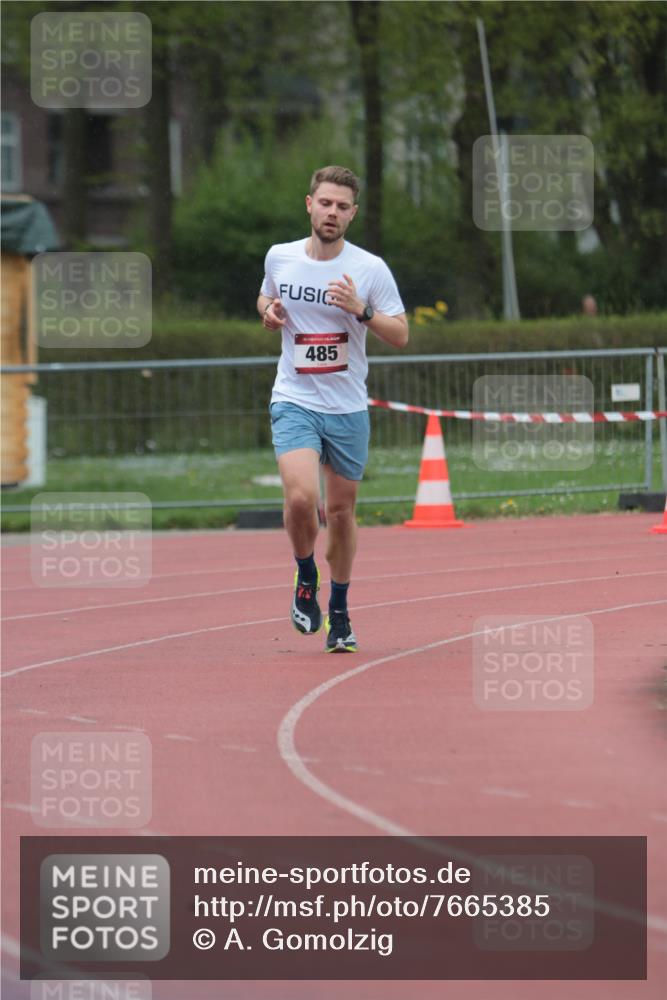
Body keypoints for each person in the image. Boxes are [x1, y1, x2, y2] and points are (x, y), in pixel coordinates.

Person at [257, 165, 408, 653]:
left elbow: (401, 333)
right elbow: (267, 295)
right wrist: (268, 311)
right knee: (302, 499)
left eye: (343, 207)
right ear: (309, 204)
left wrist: (360, 309)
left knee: (341, 512)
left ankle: (339, 611)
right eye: (326, 203)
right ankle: (306, 576)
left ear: (353, 214)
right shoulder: (280, 257)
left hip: (346, 406)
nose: (333, 213)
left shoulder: (369, 268)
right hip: (295, 398)